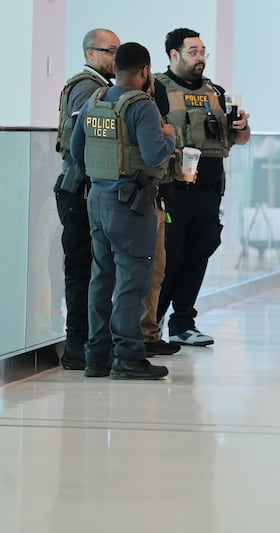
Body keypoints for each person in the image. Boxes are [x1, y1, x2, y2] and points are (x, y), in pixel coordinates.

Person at [70, 42, 176, 379]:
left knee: (101, 279)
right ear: (145, 71)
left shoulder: (95, 100)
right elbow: (153, 153)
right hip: (131, 203)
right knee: (133, 279)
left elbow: (76, 149)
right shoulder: (142, 106)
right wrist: (170, 137)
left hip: (97, 200)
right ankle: (129, 355)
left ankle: (96, 356)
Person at [154, 28, 251, 347]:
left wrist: (242, 127)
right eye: (193, 52)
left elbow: (236, 140)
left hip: (210, 188)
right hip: (173, 189)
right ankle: (151, 322)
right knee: (170, 256)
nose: (200, 58)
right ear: (174, 55)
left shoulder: (217, 92)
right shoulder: (157, 88)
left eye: (203, 52)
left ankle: (183, 322)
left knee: (200, 252)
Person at [54, 28, 120, 370]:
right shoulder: (87, 87)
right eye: (110, 51)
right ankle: (76, 344)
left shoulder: (101, 87)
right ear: (91, 54)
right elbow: (87, 138)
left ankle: (90, 342)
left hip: (85, 190)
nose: (116, 58)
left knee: (93, 268)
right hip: (77, 191)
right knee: (81, 268)